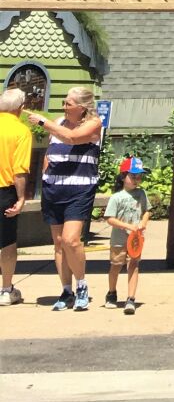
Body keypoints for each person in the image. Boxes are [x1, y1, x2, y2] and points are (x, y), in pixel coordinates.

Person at [26, 86, 103, 311]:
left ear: (82, 107)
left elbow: (71, 138)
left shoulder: (93, 124)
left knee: (71, 240)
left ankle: (81, 285)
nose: (65, 107)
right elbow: (53, 148)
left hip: (79, 189)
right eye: (64, 102)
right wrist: (45, 171)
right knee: (59, 243)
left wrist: (42, 121)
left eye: (69, 103)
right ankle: (66, 290)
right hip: (54, 188)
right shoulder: (59, 122)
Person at [102, 157, 150, 314]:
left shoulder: (141, 194)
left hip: (136, 240)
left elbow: (147, 211)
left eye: (139, 176)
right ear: (123, 176)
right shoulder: (117, 197)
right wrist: (128, 226)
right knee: (116, 266)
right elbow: (109, 218)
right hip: (119, 240)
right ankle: (111, 293)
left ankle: (131, 298)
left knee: (134, 265)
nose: (137, 180)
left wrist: (143, 223)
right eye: (133, 176)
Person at [0, 88, 33, 307]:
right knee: (7, 242)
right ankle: (6, 289)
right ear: (20, 108)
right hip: (5, 190)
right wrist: (21, 198)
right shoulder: (21, 131)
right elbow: (19, 170)